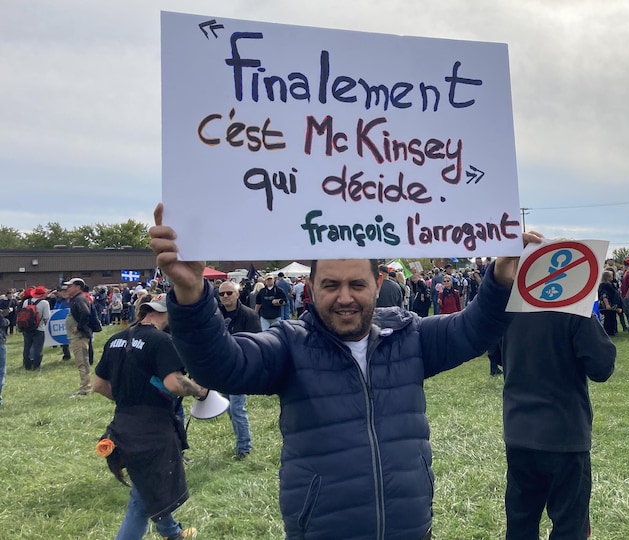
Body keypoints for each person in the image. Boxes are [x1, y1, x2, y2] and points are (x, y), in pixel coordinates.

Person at [149, 203, 538, 539]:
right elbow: (223, 366)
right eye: (331, 285)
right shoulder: (290, 343)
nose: (345, 297)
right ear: (312, 286)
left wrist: (502, 279)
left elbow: (475, 328)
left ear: (379, 283)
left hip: (410, 528)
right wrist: (190, 295)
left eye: (357, 284)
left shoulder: (409, 336)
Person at [92, 295, 205, 540]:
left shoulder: (115, 339)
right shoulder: (161, 341)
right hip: (153, 430)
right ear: (166, 313)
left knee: (147, 486)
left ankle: (172, 533)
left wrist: (128, 399)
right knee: (141, 502)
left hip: (122, 425)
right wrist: (199, 390)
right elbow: (174, 384)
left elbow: (99, 385)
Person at [498, 311, 616, 539]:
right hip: (565, 433)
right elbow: (601, 366)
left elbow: (495, 352)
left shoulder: (512, 306)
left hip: (519, 430)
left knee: (521, 522)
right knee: (570, 526)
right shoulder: (574, 308)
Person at [218, 280, 261, 460]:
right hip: (222, 368)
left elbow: (257, 342)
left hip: (240, 368)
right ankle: (240, 442)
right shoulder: (215, 315)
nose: (226, 296)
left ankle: (244, 448)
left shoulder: (249, 315)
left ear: (237, 294)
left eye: (229, 293)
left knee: (237, 408)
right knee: (229, 407)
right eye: (222, 294)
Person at [63, 278, 94, 395]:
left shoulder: (79, 299)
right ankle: (85, 386)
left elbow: (86, 313)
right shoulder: (76, 299)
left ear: (78, 287)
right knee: (80, 362)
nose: (68, 288)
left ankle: (85, 388)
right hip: (76, 337)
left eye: (70, 286)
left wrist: (79, 327)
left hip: (80, 336)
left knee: (82, 362)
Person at [20, 286, 51, 371]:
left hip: (27, 327)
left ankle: (27, 366)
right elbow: (46, 317)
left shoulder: (26, 301)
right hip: (39, 328)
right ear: (43, 294)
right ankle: (36, 366)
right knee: (38, 348)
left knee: (27, 347)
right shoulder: (44, 303)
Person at [597, 270, 620, 336]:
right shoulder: (604, 285)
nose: (612, 277)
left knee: (612, 317)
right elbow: (604, 295)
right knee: (608, 318)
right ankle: (608, 332)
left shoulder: (611, 284)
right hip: (608, 304)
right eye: (610, 276)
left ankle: (612, 331)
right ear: (607, 277)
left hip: (613, 303)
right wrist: (607, 304)